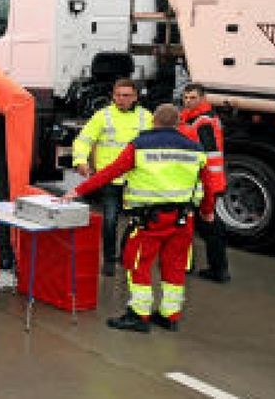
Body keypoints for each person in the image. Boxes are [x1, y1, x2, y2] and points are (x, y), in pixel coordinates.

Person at [65, 104, 214, 333]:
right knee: (174, 266)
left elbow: (111, 172)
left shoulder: (140, 146)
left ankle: (139, 315)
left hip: (149, 221)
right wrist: (207, 210)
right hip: (183, 220)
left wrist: (78, 191)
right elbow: (207, 184)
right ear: (178, 124)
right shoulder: (196, 149)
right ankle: (169, 315)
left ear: (154, 122)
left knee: (137, 263)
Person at [72, 78, 152, 276]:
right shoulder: (103, 116)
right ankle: (109, 259)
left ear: (135, 97)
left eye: (126, 95)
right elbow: (83, 140)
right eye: (117, 95)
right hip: (109, 178)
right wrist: (80, 161)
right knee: (110, 219)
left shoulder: (146, 117)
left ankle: (126, 255)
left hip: (136, 178)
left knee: (136, 221)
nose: (121, 99)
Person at [180, 83, 230, 283]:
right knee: (207, 226)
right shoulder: (199, 118)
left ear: (202, 98)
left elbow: (208, 156)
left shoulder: (203, 122)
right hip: (208, 181)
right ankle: (217, 269)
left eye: (193, 98)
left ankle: (215, 269)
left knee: (206, 225)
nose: (188, 101)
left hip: (206, 182)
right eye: (185, 97)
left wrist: (206, 190)